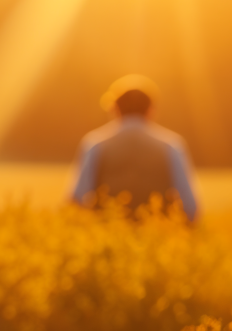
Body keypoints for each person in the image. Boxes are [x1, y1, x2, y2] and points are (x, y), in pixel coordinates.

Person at [67, 74, 200, 221]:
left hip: (108, 236)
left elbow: (76, 200)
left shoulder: (96, 144)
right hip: (156, 236)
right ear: (151, 110)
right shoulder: (171, 145)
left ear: (115, 109)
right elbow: (191, 206)